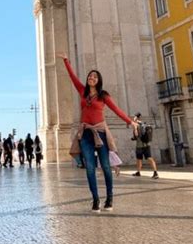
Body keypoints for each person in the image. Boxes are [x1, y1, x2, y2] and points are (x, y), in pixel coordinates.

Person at [57, 52, 138, 212]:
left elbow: (116, 110)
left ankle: (109, 198)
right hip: (86, 133)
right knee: (89, 168)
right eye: (90, 76)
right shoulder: (83, 92)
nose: (91, 78)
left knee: (106, 167)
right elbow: (73, 78)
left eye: (94, 77)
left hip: (100, 132)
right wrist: (66, 60)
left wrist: (130, 122)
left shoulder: (103, 95)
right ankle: (95, 200)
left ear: (98, 80)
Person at [132, 113, 159, 179]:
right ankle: (155, 172)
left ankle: (139, 172)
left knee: (139, 159)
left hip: (139, 145)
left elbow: (136, 135)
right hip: (147, 144)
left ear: (136, 117)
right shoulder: (144, 124)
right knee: (149, 157)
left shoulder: (136, 125)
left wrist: (135, 129)